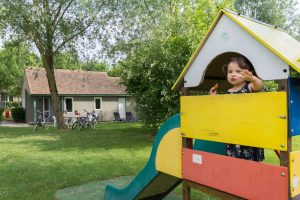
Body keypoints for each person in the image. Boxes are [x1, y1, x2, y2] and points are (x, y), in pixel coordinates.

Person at [209, 56, 264, 162]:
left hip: (247, 130)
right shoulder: (228, 91)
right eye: (230, 72)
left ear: (248, 73)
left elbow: (260, 86)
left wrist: (252, 79)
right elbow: (223, 109)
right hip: (232, 131)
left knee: (250, 162)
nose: (233, 74)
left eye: (238, 71)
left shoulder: (249, 87)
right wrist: (214, 97)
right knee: (233, 160)